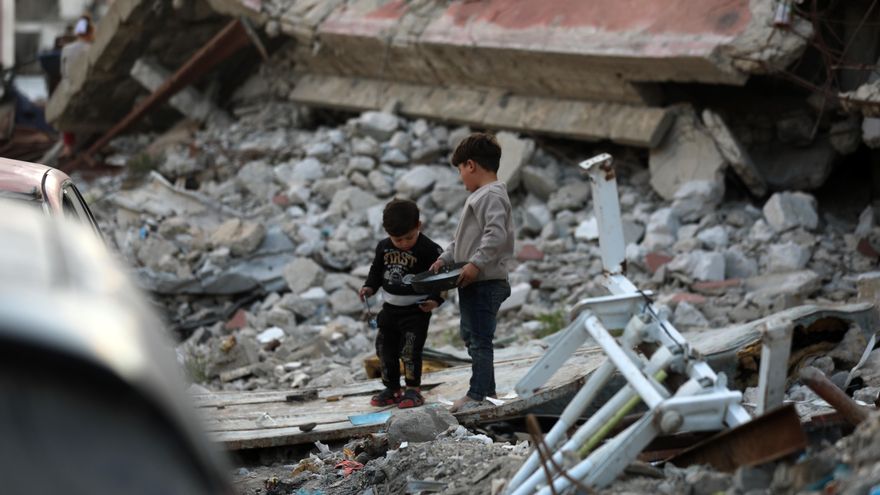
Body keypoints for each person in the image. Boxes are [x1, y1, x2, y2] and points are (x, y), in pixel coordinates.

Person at [429, 132, 514, 413]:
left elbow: (496, 235)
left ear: (470, 165)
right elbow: (462, 241)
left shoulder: (491, 195)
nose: (460, 177)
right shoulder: (481, 196)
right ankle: (486, 391)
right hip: (475, 282)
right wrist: (444, 259)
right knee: (471, 335)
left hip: (485, 282)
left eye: (460, 171)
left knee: (479, 340)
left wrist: (475, 264)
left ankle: (477, 394)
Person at [359, 199, 444, 409]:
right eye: (398, 239)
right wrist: (369, 287)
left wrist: (434, 300)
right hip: (389, 310)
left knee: (410, 351)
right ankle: (392, 388)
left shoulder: (430, 249)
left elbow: (440, 279)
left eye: (409, 237)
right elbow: (376, 271)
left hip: (416, 311)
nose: (404, 243)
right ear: (387, 233)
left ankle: (413, 389)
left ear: (418, 226)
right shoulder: (383, 247)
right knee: (384, 349)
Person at [59, 14, 94, 156]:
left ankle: (68, 147)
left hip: (69, 88)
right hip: (86, 89)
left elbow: (63, 71)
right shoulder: (90, 48)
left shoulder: (67, 49)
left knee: (67, 117)